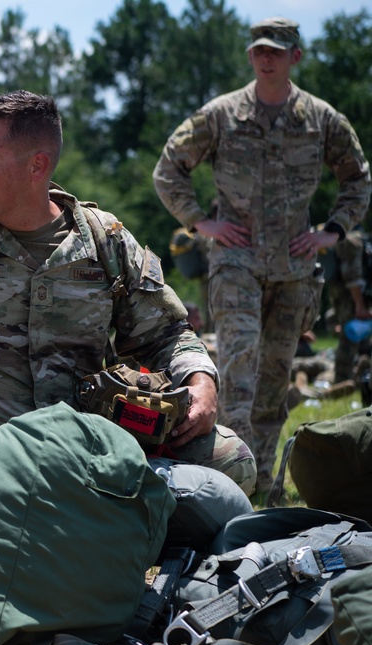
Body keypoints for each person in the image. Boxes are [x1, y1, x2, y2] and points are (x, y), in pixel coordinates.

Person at [0, 90, 256, 494]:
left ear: (37, 166)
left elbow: (168, 334)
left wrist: (202, 386)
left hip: (84, 449)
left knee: (229, 462)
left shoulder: (104, 243)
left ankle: (119, 531)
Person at [153, 17, 371, 492]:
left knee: (274, 374)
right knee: (238, 367)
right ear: (251, 56)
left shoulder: (321, 119)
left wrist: (332, 231)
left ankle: (263, 479)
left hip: (295, 267)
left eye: (276, 50)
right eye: (258, 50)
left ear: (295, 56)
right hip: (236, 262)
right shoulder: (222, 114)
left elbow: (358, 179)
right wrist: (199, 222)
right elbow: (168, 168)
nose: (265, 57)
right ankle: (230, 479)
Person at [325, 231, 371, 383]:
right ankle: (342, 380)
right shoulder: (353, 243)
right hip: (351, 297)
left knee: (360, 339)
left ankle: (361, 377)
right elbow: (352, 276)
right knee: (349, 338)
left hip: (350, 295)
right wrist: (360, 305)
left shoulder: (357, 240)